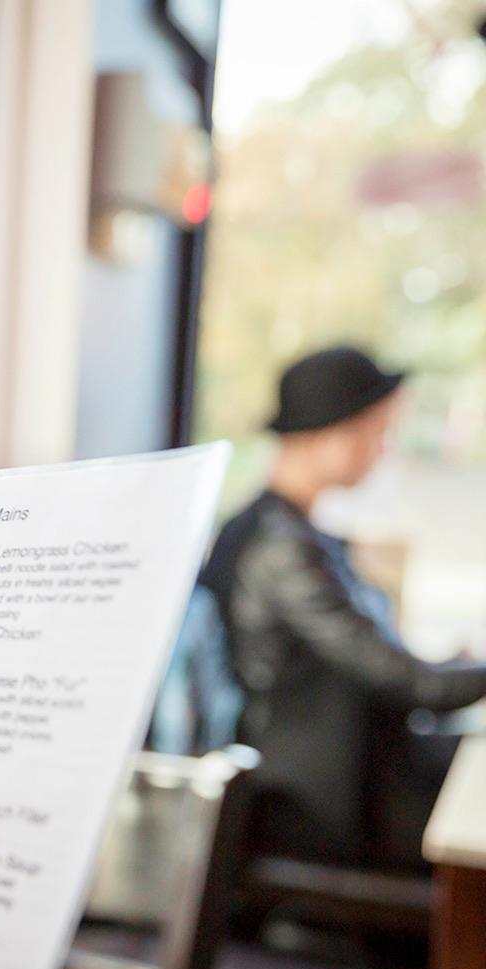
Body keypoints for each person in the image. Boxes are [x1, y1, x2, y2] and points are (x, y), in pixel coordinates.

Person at [200, 345, 486, 872]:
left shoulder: (293, 535)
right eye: (379, 433)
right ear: (332, 433)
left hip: (350, 773)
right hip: (323, 802)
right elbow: (406, 681)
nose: (384, 451)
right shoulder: (278, 547)